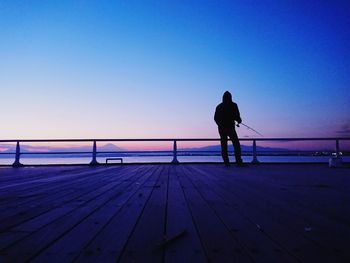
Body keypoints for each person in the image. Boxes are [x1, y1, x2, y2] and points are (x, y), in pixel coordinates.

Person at [214, 91, 244, 167]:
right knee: (236, 144)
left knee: (224, 145)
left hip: (221, 129)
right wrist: (239, 120)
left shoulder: (219, 106)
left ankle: (226, 163)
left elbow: (215, 118)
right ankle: (238, 161)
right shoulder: (233, 105)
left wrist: (220, 125)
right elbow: (237, 116)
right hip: (230, 128)